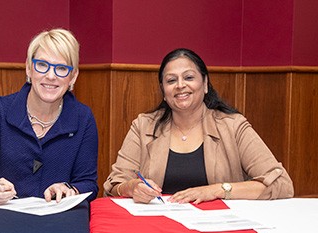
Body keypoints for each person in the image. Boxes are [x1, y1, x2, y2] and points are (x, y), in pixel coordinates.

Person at [104, 48, 293, 204]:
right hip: (158, 229)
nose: (180, 85)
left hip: (220, 231)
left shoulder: (233, 126)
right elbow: (113, 186)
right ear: (164, 92)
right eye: (171, 80)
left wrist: (217, 190)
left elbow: (281, 184)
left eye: (188, 77)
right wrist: (132, 187)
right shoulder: (143, 126)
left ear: (205, 84)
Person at [0, 28, 98, 205]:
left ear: (73, 77)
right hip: (1, 219)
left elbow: (88, 184)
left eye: (61, 68)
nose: (51, 76)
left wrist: (68, 189)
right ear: (29, 68)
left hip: (56, 223)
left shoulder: (83, 118)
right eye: (42, 65)